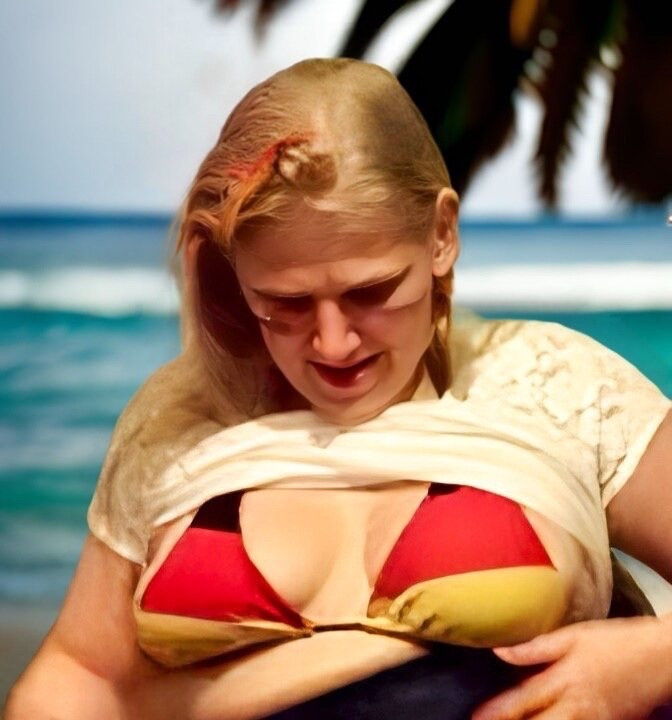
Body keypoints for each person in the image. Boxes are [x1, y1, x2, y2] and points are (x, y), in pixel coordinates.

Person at [5, 58, 672, 720]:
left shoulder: (553, 383)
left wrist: (647, 661)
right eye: (285, 303)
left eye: (370, 291)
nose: (333, 343)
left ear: (442, 235)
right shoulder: (180, 420)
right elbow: (82, 674)